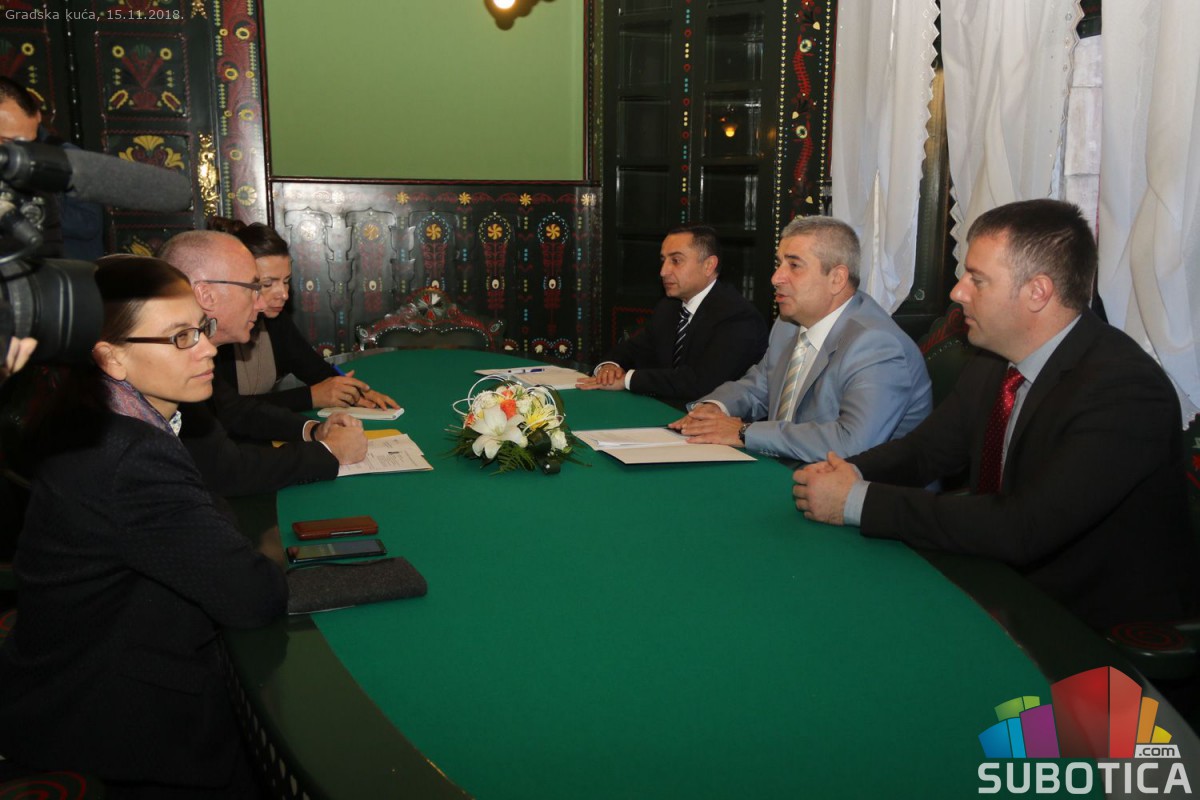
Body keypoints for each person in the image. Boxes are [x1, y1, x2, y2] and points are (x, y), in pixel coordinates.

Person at [793, 199, 1200, 631]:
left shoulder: (1124, 390)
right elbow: (925, 452)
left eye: (977, 279)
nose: (957, 292)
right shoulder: (994, 360)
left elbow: (1024, 528)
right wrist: (845, 471)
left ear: (1037, 292)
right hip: (998, 581)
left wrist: (856, 501)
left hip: (1092, 626)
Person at [0, 256, 286, 796]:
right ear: (110, 357)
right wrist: (272, 552)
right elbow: (254, 596)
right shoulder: (129, 455)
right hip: (108, 719)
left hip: (62, 670)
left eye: (201, 327)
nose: (208, 348)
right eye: (180, 338)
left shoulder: (101, 418)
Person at [670, 216, 931, 462]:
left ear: (837, 279)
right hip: (788, 468)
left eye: (794, 266)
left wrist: (744, 432)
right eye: (779, 264)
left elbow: (852, 442)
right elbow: (757, 386)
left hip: (861, 487)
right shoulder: (787, 325)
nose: (776, 278)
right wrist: (715, 408)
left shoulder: (876, 345)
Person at [158, 230, 367, 496]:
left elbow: (236, 411)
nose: (260, 304)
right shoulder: (170, 359)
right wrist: (329, 450)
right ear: (206, 295)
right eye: (254, 288)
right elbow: (225, 470)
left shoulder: (195, 350)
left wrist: (313, 430)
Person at [207, 216, 399, 411]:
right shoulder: (215, 332)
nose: (284, 294)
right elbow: (224, 411)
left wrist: (352, 391)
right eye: (267, 284)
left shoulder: (274, 319)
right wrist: (311, 397)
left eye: (286, 281)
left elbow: (311, 367)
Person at [576, 224, 768, 405]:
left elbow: (701, 382)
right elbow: (633, 349)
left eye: (676, 261)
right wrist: (609, 367)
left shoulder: (737, 317)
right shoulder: (669, 307)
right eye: (663, 260)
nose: (663, 271)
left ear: (708, 265)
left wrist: (627, 379)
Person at [0, 77, 103, 261]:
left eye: (29, 140)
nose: (22, 151)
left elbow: (89, 223)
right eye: (9, 141)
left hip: (57, 269)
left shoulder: (66, 158)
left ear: (38, 118)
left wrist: (26, 205)